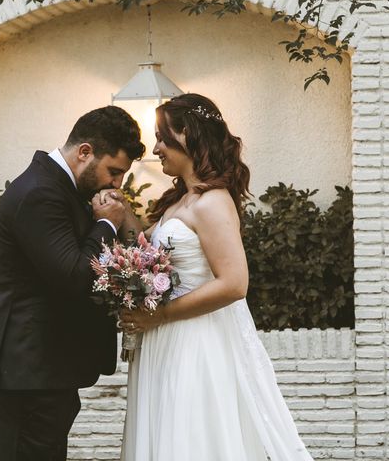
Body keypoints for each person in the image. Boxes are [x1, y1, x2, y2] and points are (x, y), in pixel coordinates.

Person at [115, 93, 314, 460]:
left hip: (194, 340)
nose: (156, 148)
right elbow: (153, 252)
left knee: (191, 436)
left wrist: (158, 315)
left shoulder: (213, 201)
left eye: (162, 136)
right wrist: (122, 214)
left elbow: (234, 283)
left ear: (187, 134)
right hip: (164, 338)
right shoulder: (179, 200)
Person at [0, 106, 144, 460]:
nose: (116, 184)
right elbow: (73, 275)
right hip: (26, 371)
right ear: (84, 152)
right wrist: (106, 225)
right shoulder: (39, 193)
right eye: (114, 171)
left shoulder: (62, 188)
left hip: (46, 369)